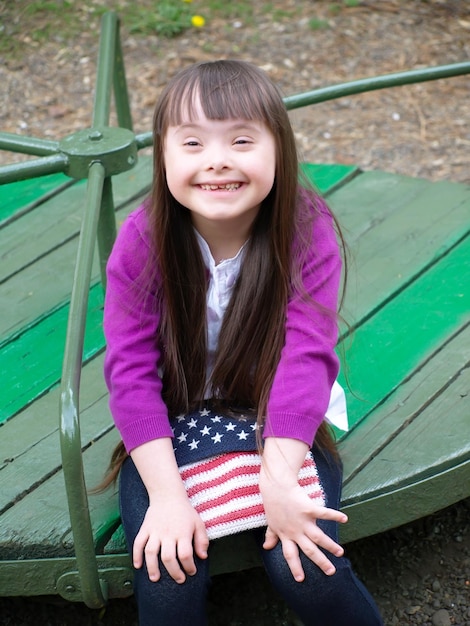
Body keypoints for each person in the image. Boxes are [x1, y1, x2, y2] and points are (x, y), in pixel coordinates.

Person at [102, 59, 383, 626]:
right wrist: (168, 497)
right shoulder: (143, 240)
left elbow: (306, 358)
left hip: (277, 413)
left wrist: (278, 482)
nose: (217, 160)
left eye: (241, 139)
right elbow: (129, 373)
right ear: (163, 156)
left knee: (302, 563)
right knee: (168, 576)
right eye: (191, 143)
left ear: (279, 149)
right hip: (173, 420)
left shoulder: (304, 229)